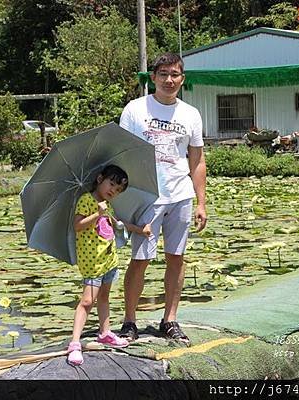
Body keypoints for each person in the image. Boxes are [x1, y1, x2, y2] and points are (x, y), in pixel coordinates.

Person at [118, 52, 207, 344]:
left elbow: (197, 160)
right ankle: (129, 321)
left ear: (182, 79)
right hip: (146, 196)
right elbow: (121, 154)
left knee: (176, 258)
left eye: (175, 74)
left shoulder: (190, 114)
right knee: (140, 258)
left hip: (180, 195)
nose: (170, 80)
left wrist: (201, 202)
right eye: (164, 74)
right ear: (153, 77)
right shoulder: (135, 109)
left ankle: (169, 319)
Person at [67, 164, 151, 366]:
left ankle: (105, 332)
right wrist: (97, 213)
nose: (113, 190)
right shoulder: (87, 200)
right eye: (111, 183)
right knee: (87, 302)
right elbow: (77, 226)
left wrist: (140, 230)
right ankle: (75, 343)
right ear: (99, 179)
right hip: (92, 262)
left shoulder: (107, 205)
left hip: (108, 260)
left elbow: (117, 224)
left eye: (118, 189)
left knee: (104, 297)